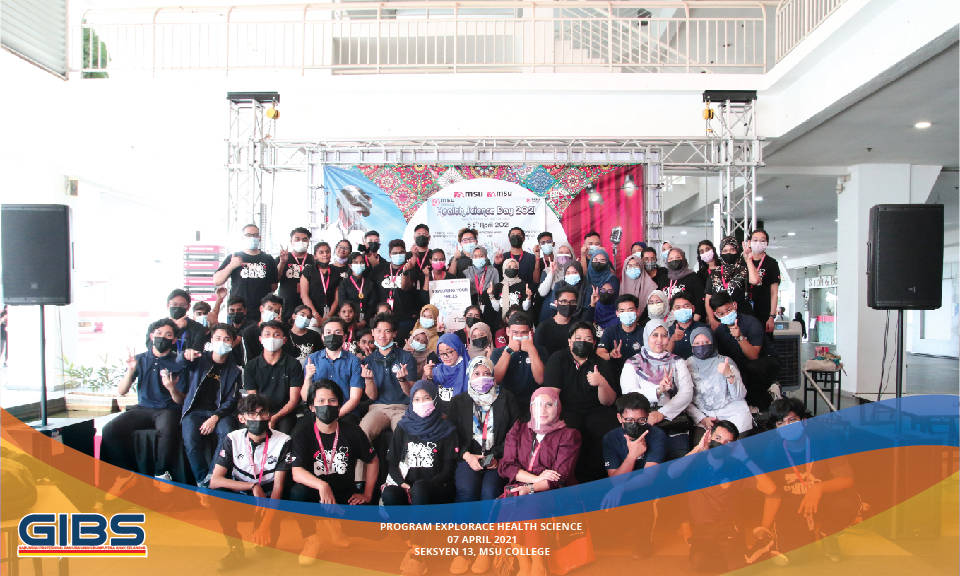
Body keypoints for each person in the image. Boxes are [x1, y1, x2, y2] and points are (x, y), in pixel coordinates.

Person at [289, 379, 379, 565]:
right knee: (297, 493)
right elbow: (296, 472)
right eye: (321, 401)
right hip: (316, 494)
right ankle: (312, 539)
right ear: (312, 407)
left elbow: (373, 460)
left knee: (374, 530)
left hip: (344, 492)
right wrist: (322, 486)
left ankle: (335, 527)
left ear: (339, 405)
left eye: (332, 401)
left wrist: (367, 493)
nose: (327, 406)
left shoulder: (352, 431)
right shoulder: (302, 431)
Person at [499, 387, 581, 576]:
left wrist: (530, 489)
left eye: (549, 404)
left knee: (528, 506)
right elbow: (506, 466)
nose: (542, 410)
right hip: (524, 485)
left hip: (553, 492)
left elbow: (559, 477)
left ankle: (538, 561)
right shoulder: (518, 429)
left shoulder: (569, 435)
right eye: (537, 405)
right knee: (507, 503)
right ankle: (523, 561)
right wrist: (534, 480)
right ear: (530, 408)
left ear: (558, 407)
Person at [763, 398, 856, 563]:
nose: (787, 427)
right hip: (794, 504)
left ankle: (828, 533)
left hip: (823, 499)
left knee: (847, 502)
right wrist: (765, 526)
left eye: (792, 420)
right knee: (799, 557)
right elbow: (771, 493)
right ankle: (808, 533)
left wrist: (818, 488)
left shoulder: (825, 440)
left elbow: (847, 479)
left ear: (804, 421)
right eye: (780, 423)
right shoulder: (772, 450)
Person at [209, 393, 293, 570]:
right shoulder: (232, 439)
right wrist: (252, 486)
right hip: (243, 494)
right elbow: (215, 481)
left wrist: (265, 526)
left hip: (269, 498)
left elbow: (278, 488)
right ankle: (235, 549)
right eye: (252, 414)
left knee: (267, 550)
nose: (258, 418)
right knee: (216, 495)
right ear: (241, 418)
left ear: (269, 416)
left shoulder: (284, 441)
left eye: (263, 413)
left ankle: (263, 525)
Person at [102, 319, 185, 482]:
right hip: (143, 408)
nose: (162, 337)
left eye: (168, 335)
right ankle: (126, 474)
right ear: (152, 336)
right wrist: (130, 370)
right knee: (110, 430)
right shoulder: (140, 359)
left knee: (167, 430)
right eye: (159, 333)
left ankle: (162, 473)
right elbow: (122, 391)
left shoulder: (179, 362)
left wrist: (171, 388)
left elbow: (180, 400)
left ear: (174, 340)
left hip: (167, 409)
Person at [543, 321, 618, 481]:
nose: (582, 342)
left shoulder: (601, 363)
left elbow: (609, 401)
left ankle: (601, 477)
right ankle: (565, 478)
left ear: (594, 343)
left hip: (596, 410)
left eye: (588, 339)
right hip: (566, 409)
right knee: (569, 432)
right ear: (569, 341)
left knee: (607, 428)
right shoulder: (558, 359)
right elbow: (551, 395)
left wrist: (601, 383)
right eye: (578, 338)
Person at [178, 324, 242, 486]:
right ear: (211, 340)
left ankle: (213, 476)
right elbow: (180, 363)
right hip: (194, 411)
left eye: (226, 339)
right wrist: (184, 355)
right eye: (218, 338)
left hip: (221, 413)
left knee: (228, 433)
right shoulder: (199, 359)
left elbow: (232, 400)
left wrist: (215, 417)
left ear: (233, 342)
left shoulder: (235, 369)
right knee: (190, 439)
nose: (222, 342)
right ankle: (201, 479)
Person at [621, 320, 694, 460]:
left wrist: (662, 413)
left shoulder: (677, 361)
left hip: (673, 418)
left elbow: (687, 393)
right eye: (655, 335)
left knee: (679, 462)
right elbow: (629, 395)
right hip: (643, 420)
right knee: (649, 463)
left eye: (664, 335)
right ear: (646, 336)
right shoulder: (632, 363)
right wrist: (658, 390)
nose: (660, 340)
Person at [450, 356, 519, 502]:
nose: (482, 377)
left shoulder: (507, 398)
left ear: (493, 375)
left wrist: (495, 456)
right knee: (467, 490)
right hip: (468, 457)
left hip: (497, 458)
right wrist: (467, 455)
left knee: (490, 492)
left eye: (486, 373)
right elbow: (452, 436)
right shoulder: (458, 402)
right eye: (477, 373)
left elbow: (514, 433)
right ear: (469, 375)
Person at [381, 380, 458, 505]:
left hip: (436, 487)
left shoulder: (446, 429)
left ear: (435, 399)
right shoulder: (403, 427)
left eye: (426, 398)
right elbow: (393, 463)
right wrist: (401, 483)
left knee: (420, 489)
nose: (421, 403)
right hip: (407, 485)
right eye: (417, 399)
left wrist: (425, 486)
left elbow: (448, 469)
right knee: (390, 494)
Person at [709, 291, 780, 411]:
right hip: (738, 364)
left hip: (763, 363)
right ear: (716, 314)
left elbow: (753, 355)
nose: (726, 314)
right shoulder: (719, 332)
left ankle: (768, 398)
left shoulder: (751, 323)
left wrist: (739, 337)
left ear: (735, 305)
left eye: (728, 310)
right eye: (721, 313)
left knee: (751, 368)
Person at [685, 326, 753, 439]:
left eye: (706, 342)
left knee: (736, 445)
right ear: (692, 346)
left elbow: (740, 395)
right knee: (703, 446)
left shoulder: (725, 362)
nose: (701, 346)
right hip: (706, 417)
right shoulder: (686, 365)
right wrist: (701, 418)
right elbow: (685, 399)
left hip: (733, 414)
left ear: (713, 343)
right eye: (697, 343)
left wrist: (729, 375)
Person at [359, 314, 418, 441]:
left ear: (394, 333)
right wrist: (369, 380)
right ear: (373, 332)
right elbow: (372, 396)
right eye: (378, 331)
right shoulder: (368, 361)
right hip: (378, 408)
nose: (382, 335)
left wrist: (402, 380)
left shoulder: (406, 357)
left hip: (402, 408)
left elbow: (411, 393)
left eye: (387, 331)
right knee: (362, 434)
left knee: (406, 437)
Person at [302, 317, 369, 423]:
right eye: (328, 332)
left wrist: (334, 416)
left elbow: (354, 398)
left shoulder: (354, 361)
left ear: (344, 337)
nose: (332, 336)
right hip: (317, 412)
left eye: (337, 332)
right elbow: (305, 398)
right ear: (322, 337)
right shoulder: (312, 359)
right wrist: (308, 378)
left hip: (345, 412)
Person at [242, 321, 303, 434]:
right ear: (260, 339)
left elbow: (293, 400)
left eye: (276, 334)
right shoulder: (251, 366)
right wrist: (262, 416)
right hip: (260, 412)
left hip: (285, 413)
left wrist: (275, 417)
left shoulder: (293, 364)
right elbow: (253, 398)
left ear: (284, 340)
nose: (272, 338)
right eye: (267, 334)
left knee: (286, 433)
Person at [213, 224, 278, 322]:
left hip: (262, 311)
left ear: (259, 238)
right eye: (248, 235)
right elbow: (217, 281)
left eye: (255, 235)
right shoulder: (234, 257)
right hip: (237, 311)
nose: (252, 238)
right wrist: (231, 266)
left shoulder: (268, 259)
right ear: (242, 238)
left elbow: (274, 286)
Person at [491, 312, 546, 414]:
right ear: (508, 331)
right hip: (506, 404)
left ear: (531, 332)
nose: (519, 336)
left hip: (533, 403)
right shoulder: (497, 352)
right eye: (515, 332)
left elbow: (540, 380)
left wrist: (531, 350)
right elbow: (495, 380)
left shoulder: (540, 351)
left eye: (524, 333)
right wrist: (509, 351)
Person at [603, 392, 668, 476]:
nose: (635, 425)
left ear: (647, 416)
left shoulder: (657, 435)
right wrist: (632, 456)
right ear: (620, 418)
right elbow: (615, 480)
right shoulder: (610, 438)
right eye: (629, 420)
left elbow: (649, 477)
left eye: (641, 420)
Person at [534, 285, 598, 357]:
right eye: (564, 301)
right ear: (556, 303)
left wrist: (593, 304)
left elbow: (587, 322)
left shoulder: (578, 325)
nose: (568, 305)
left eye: (572, 302)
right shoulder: (543, 327)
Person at [705, 235, 758, 320]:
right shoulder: (714, 274)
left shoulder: (744, 270)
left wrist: (748, 260)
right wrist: (712, 320)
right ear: (721, 253)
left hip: (743, 317)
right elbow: (708, 299)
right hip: (721, 318)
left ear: (737, 251)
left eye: (732, 250)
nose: (728, 253)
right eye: (725, 251)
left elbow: (755, 281)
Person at [378, 239, 418, 338]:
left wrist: (405, 272)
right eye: (395, 253)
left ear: (405, 253)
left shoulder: (411, 269)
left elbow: (406, 287)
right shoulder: (380, 269)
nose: (398, 255)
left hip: (404, 319)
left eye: (401, 252)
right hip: (384, 318)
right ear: (389, 254)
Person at [746, 229, 782, 333]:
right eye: (755, 240)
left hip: (763, 311)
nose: (758, 243)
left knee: (763, 340)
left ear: (767, 243)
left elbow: (774, 293)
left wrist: (771, 316)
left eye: (762, 240)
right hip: (745, 310)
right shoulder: (744, 261)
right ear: (749, 242)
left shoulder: (771, 263)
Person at [276, 227, 314, 322]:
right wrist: (282, 262)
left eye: (304, 239)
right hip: (287, 304)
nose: (301, 242)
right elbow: (275, 280)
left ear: (309, 242)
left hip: (308, 305)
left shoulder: (313, 260)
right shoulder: (283, 258)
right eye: (297, 239)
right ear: (291, 241)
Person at [241, 294, 293, 362]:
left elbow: (289, 354)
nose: (272, 313)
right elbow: (248, 360)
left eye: (276, 311)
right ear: (261, 309)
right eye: (270, 309)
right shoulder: (248, 332)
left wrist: (280, 328)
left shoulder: (283, 330)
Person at [424, 333, 470, 409]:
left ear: (458, 349)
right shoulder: (436, 370)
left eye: (449, 352)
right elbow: (428, 395)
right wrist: (429, 376)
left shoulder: (471, 369)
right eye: (441, 353)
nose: (445, 357)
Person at [597, 294, 644, 366]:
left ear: (637, 312)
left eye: (630, 310)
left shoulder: (644, 333)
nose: (626, 314)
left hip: (638, 370)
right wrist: (610, 355)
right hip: (613, 370)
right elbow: (600, 352)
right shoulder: (610, 331)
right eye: (622, 311)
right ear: (617, 313)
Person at [300, 241, 340, 323]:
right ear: (315, 256)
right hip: (312, 315)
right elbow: (304, 296)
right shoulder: (308, 270)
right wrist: (315, 314)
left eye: (327, 252)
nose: (325, 254)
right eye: (321, 252)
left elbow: (337, 298)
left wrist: (329, 316)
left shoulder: (336, 271)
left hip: (332, 315)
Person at [163, 289, 209, 354]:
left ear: (188, 307)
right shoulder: (158, 326)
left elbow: (197, 352)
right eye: (174, 304)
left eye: (182, 305)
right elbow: (156, 350)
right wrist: (176, 329)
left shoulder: (198, 328)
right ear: (168, 305)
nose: (178, 308)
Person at [337, 252, 378, 327]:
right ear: (350, 265)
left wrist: (365, 320)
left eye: (361, 262)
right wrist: (351, 321)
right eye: (356, 262)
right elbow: (342, 303)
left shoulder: (370, 283)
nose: (359, 264)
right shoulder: (344, 283)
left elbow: (372, 305)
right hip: (348, 321)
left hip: (366, 321)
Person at [664, 248, 706, 320]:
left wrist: (696, 317)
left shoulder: (693, 277)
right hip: (667, 319)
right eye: (671, 258)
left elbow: (700, 299)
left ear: (683, 259)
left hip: (688, 319)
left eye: (678, 257)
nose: (674, 260)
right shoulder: (664, 278)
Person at [667, 293, 709, 359]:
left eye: (686, 306)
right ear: (672, 311)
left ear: (693, 308)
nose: (682, 309)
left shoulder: (703, 328)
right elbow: (664, 356)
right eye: (678, 307)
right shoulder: (667, 331)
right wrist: (672, 339)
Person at [620, 252, 658, 320]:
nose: (633, 268)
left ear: (641, 267)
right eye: (630, 266)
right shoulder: (622, 286)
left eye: (636, 265)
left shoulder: (651, 286)